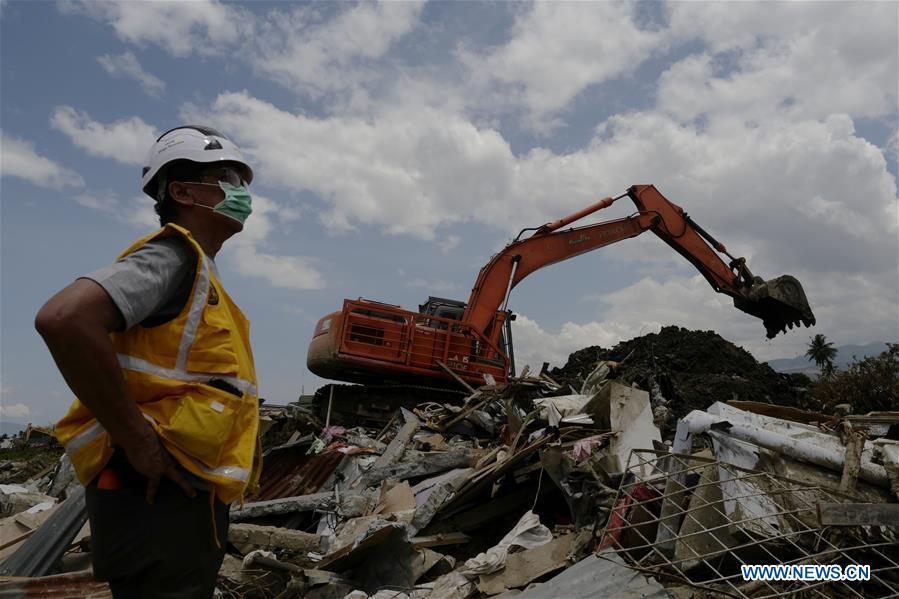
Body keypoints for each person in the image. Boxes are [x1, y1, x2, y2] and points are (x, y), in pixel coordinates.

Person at [36, 126, 261, 598]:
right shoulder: (172, 256)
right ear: (181, 191)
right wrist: (137, 440)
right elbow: (65, 319)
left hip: (176, 491)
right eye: (227, 178)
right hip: (151, 490)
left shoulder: (200, 271)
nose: (241, 194)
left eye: (243, 183)